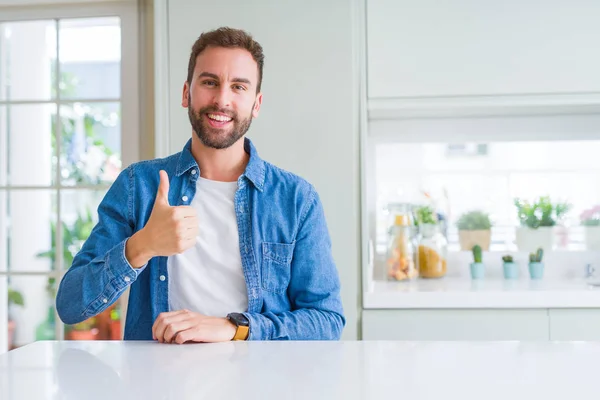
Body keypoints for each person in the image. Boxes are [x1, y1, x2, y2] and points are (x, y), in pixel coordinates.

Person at [55, 27, 345, 343]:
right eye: (209, 82)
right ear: (186, 93)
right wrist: (143, 245)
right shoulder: (138, 186)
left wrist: (236, 329)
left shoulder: (296, 199)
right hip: (158, 386)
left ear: (256, 104)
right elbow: (71, 306)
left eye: (238, 87)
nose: (222, 99)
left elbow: (327, 320)